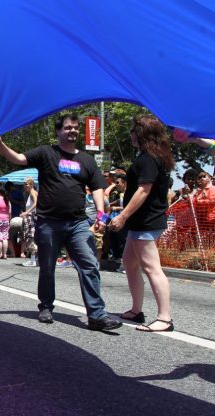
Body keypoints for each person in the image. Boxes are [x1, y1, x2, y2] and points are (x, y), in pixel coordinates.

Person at [0, 114, 122, 331]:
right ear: (58, 132)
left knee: (89, 265)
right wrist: (0, 144)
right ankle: (46, 307)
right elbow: (19, 159)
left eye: (76, 128)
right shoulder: (46, 152)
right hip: (49, 223)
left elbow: (98, 187)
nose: (73, 131)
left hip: (78, 223)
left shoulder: (87, 160)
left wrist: (101, 215)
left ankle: (97, 316)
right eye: (68, 128)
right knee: (48, 268)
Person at [109, 115, 174, 332]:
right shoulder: (152, 156)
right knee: (129, 262)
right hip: (142, 222)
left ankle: (165, 318)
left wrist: (122, 216)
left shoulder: (148, 159)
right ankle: (136, 310)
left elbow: (143, 190)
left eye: (133, 130)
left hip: (146, 222)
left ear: (143, 133)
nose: (130, 134)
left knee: (151, 267)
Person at [20, 177, 39, 266]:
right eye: (24, 184)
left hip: (31, 218)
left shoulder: (32, 192)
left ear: (31, 185)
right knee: (32, 239)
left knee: (31, 239)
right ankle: (34, 260)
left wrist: (27, 212)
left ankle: (33, 260)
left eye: (26, 184)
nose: (25, 186)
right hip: (33, 218)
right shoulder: (32, 192)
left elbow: (36, 203)